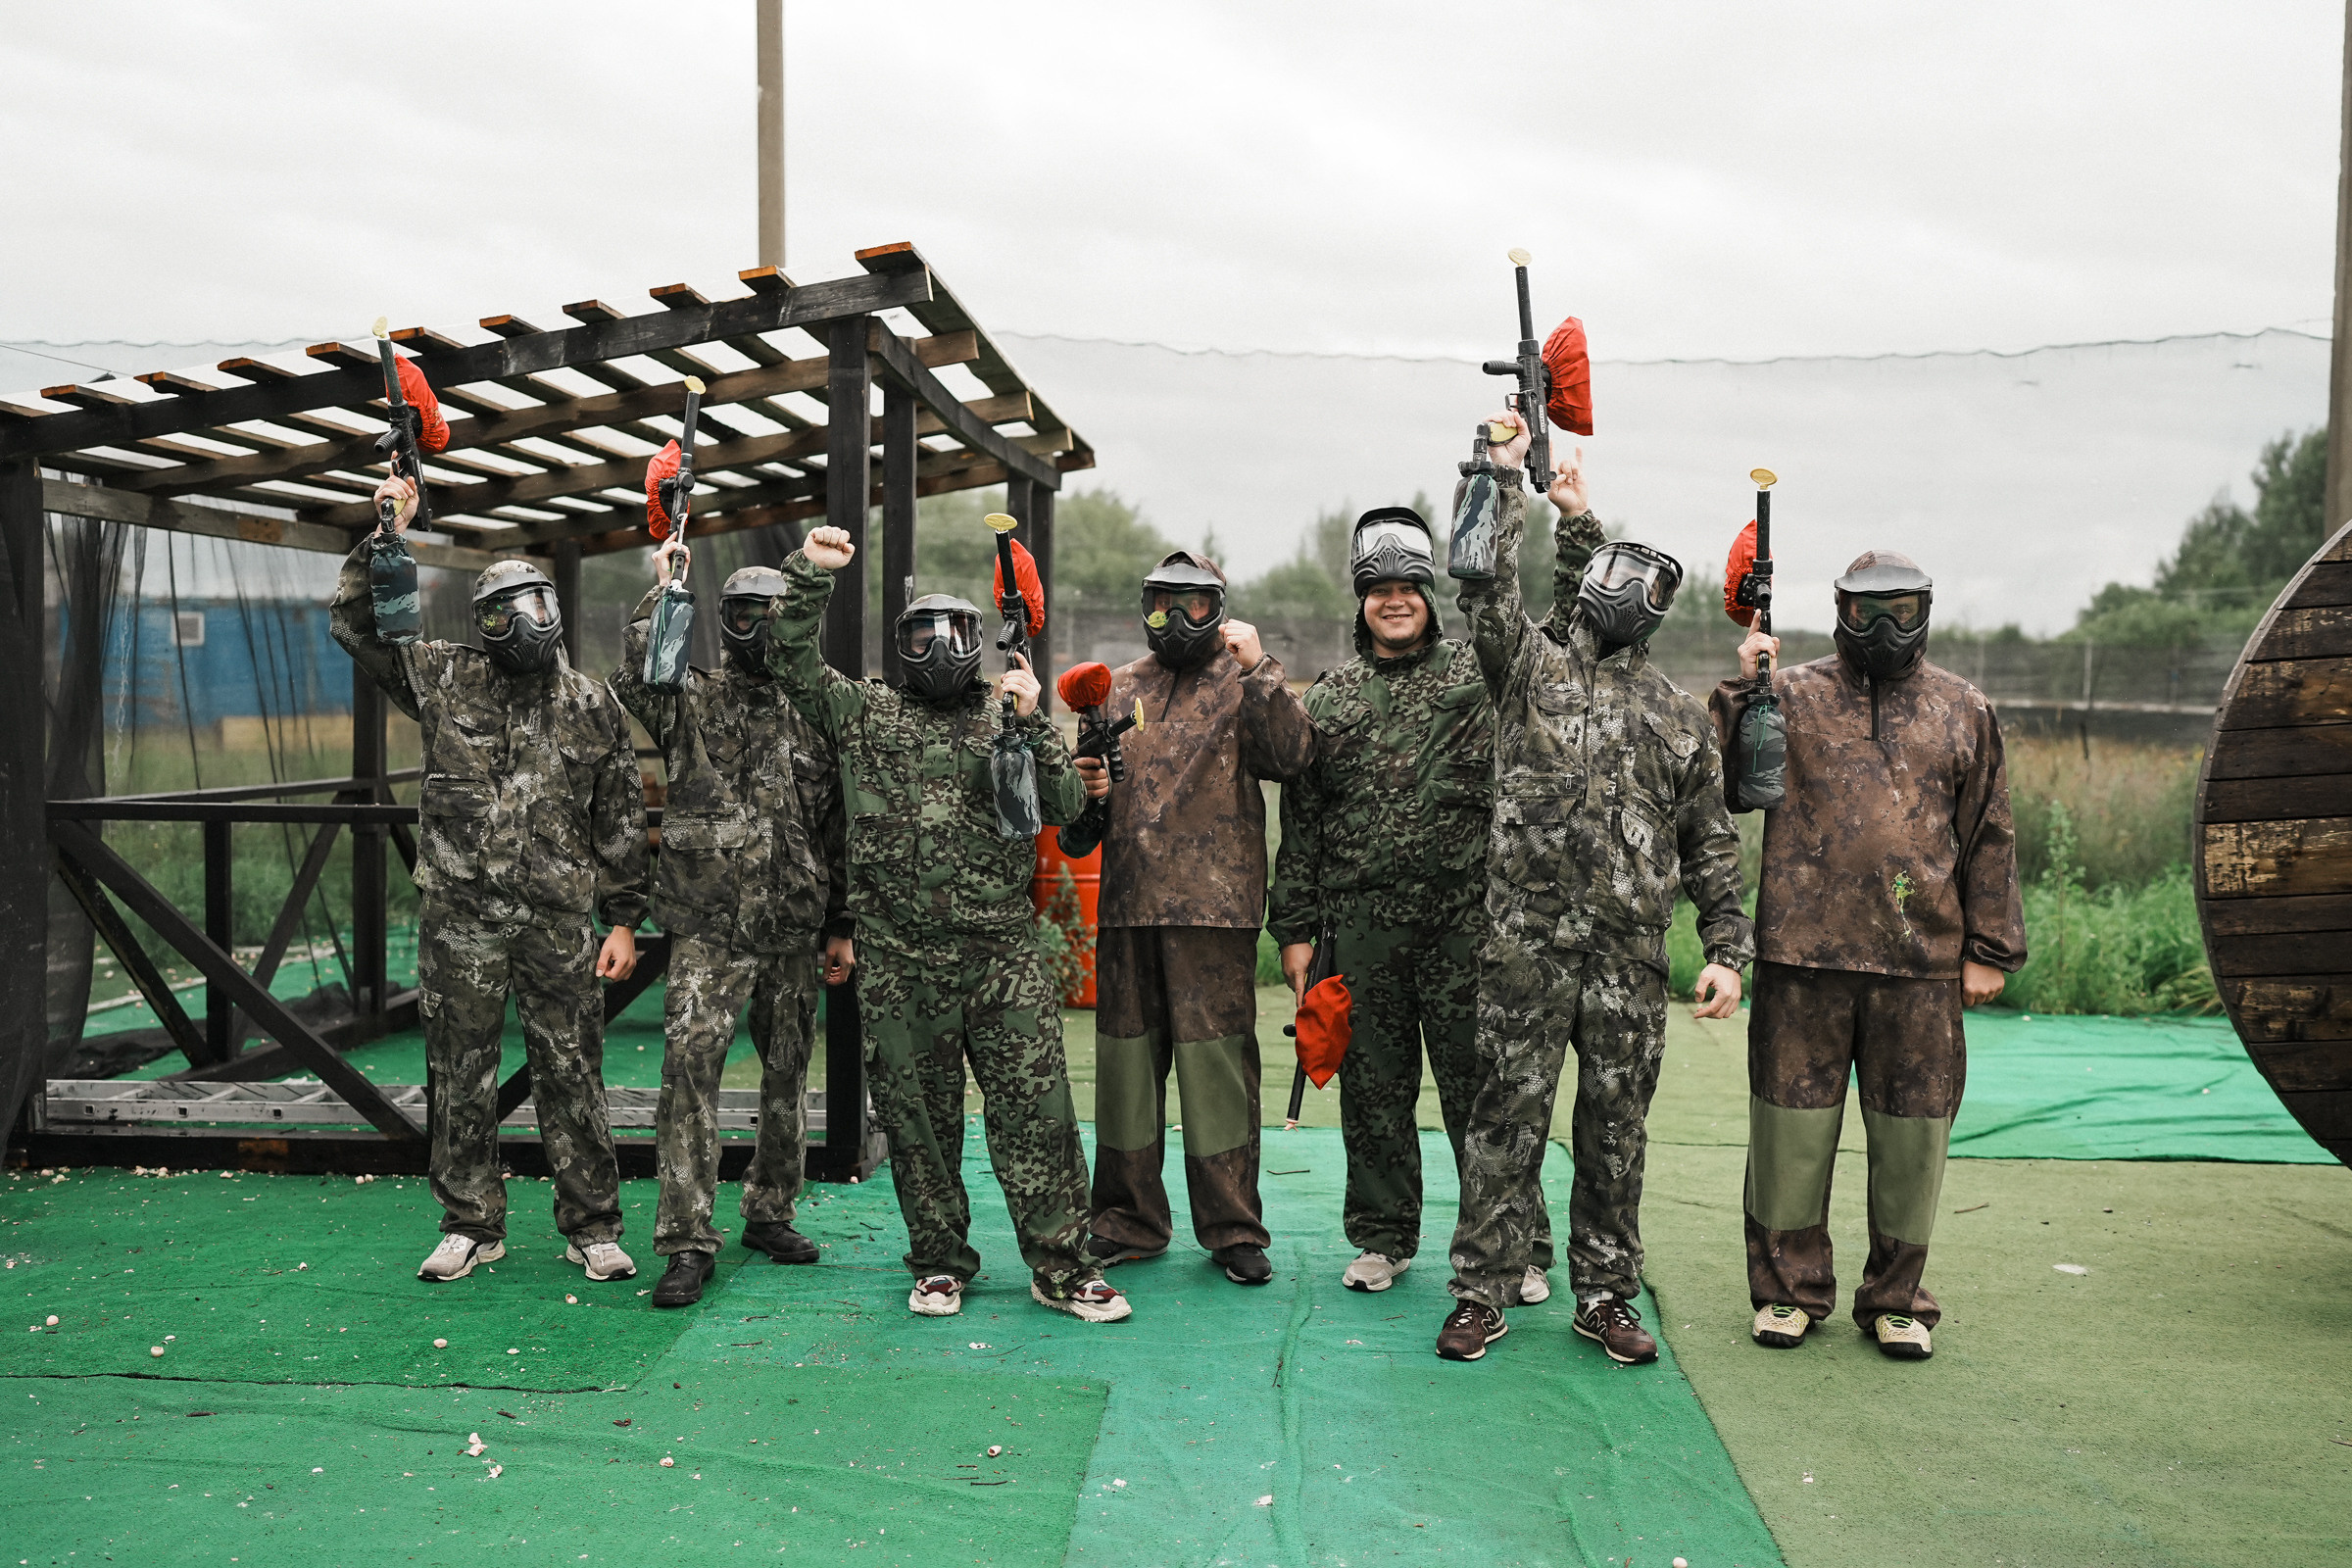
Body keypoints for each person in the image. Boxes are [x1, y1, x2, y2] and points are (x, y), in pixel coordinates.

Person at [1434, 419, 1754, 1366]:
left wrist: (1729, 950)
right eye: (1617, 574)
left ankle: (1607, 1293)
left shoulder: (1678, 716)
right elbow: (1485, 587)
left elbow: (1713, 846)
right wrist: (1498, 478)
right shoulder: (1526, 670)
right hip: (1526, 951)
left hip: (1628, 963)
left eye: (1648, 586)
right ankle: (1483, 1291)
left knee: (1616, 1130)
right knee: (1505, 1122)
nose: (1628, 595)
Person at [765, 523, 1130, 1323]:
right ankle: (938, 1262)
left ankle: (1064, 1268)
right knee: (918, 1121)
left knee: (1036, 1115)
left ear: (977, 641)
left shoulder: (1007, 714)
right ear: (901, 646)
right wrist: (811, 575)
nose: (937, 647)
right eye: (921, 634)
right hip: (900, 960)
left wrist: (1034, 720)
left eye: (954, 631)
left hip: (1001, 955)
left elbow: (1070, 809)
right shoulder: (865, 713)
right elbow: (787, 661)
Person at [334, 472, 646, 1287]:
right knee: (459, 1071)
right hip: (462, 922)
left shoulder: (591, 703)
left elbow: (618, 817)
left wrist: (622, 920)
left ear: (555, 610)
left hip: (558, 923)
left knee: (572, 1070)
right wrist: (385, 540)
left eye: (539, 605)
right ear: (484, 622)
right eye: (509, 611)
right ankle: (471, 1223)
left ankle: (593, 1225)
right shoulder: (444, 676)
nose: (527, 622)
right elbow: (359, 628)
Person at [1711, 551, 2025, 1360]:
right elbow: (1721, 781)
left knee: (1912, 1143)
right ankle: (1787, 1292)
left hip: (1920, 964)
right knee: (1789, 1136)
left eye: (1900, 608)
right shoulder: (1790, 692)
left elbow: (1989, 830)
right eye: (1864, 611)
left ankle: (1897, 1300)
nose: (1883, 627)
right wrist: (1744, 686)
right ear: (1838, 613)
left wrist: (1987, 949)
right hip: (1802, 956)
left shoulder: (1964, 708)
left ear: (1926, 610)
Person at [1266, 508, 1519, 1297]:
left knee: (1484, 1089)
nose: (1395, 601)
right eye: (1380, 590)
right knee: (1374, 1091)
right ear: (1361, 600)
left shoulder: (1480, 675)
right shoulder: (1331, 696)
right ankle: (1384, 1238)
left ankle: (1511, 1248)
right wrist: (1296, 932)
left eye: (1409, 587)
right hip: (1362, 928)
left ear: (1429, 596)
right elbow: (1301, 820)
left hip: (1463, 924)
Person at [1063, 550, 1317, 1286]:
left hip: (1215, 914)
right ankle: (1126, 1220)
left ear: (1221, 609)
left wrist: (1263, 666)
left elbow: (1295, 757)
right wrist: (1090, 790)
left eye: (1196, 605)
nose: (1178, 619)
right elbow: (1082, 830)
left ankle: (1234, 1228)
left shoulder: (1244, 683)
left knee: (1216, 1080)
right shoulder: (1114, 690)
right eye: (1164, 603)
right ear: (1143, 606)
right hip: (1127, 914)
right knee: (1126, 1076)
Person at [611, 543, 850, 1307]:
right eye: (744, 612)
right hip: (709, 924)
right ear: (724, 622)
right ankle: (686, 1239)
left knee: (788, 1073)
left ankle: (770, 1210)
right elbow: (642, 676)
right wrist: (665, 591)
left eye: (772, 613)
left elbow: (839, 820)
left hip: (792, 922)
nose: (758, 626)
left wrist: (840, 922)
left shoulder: (818, 704)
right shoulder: (693, 698)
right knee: (689, 1072)